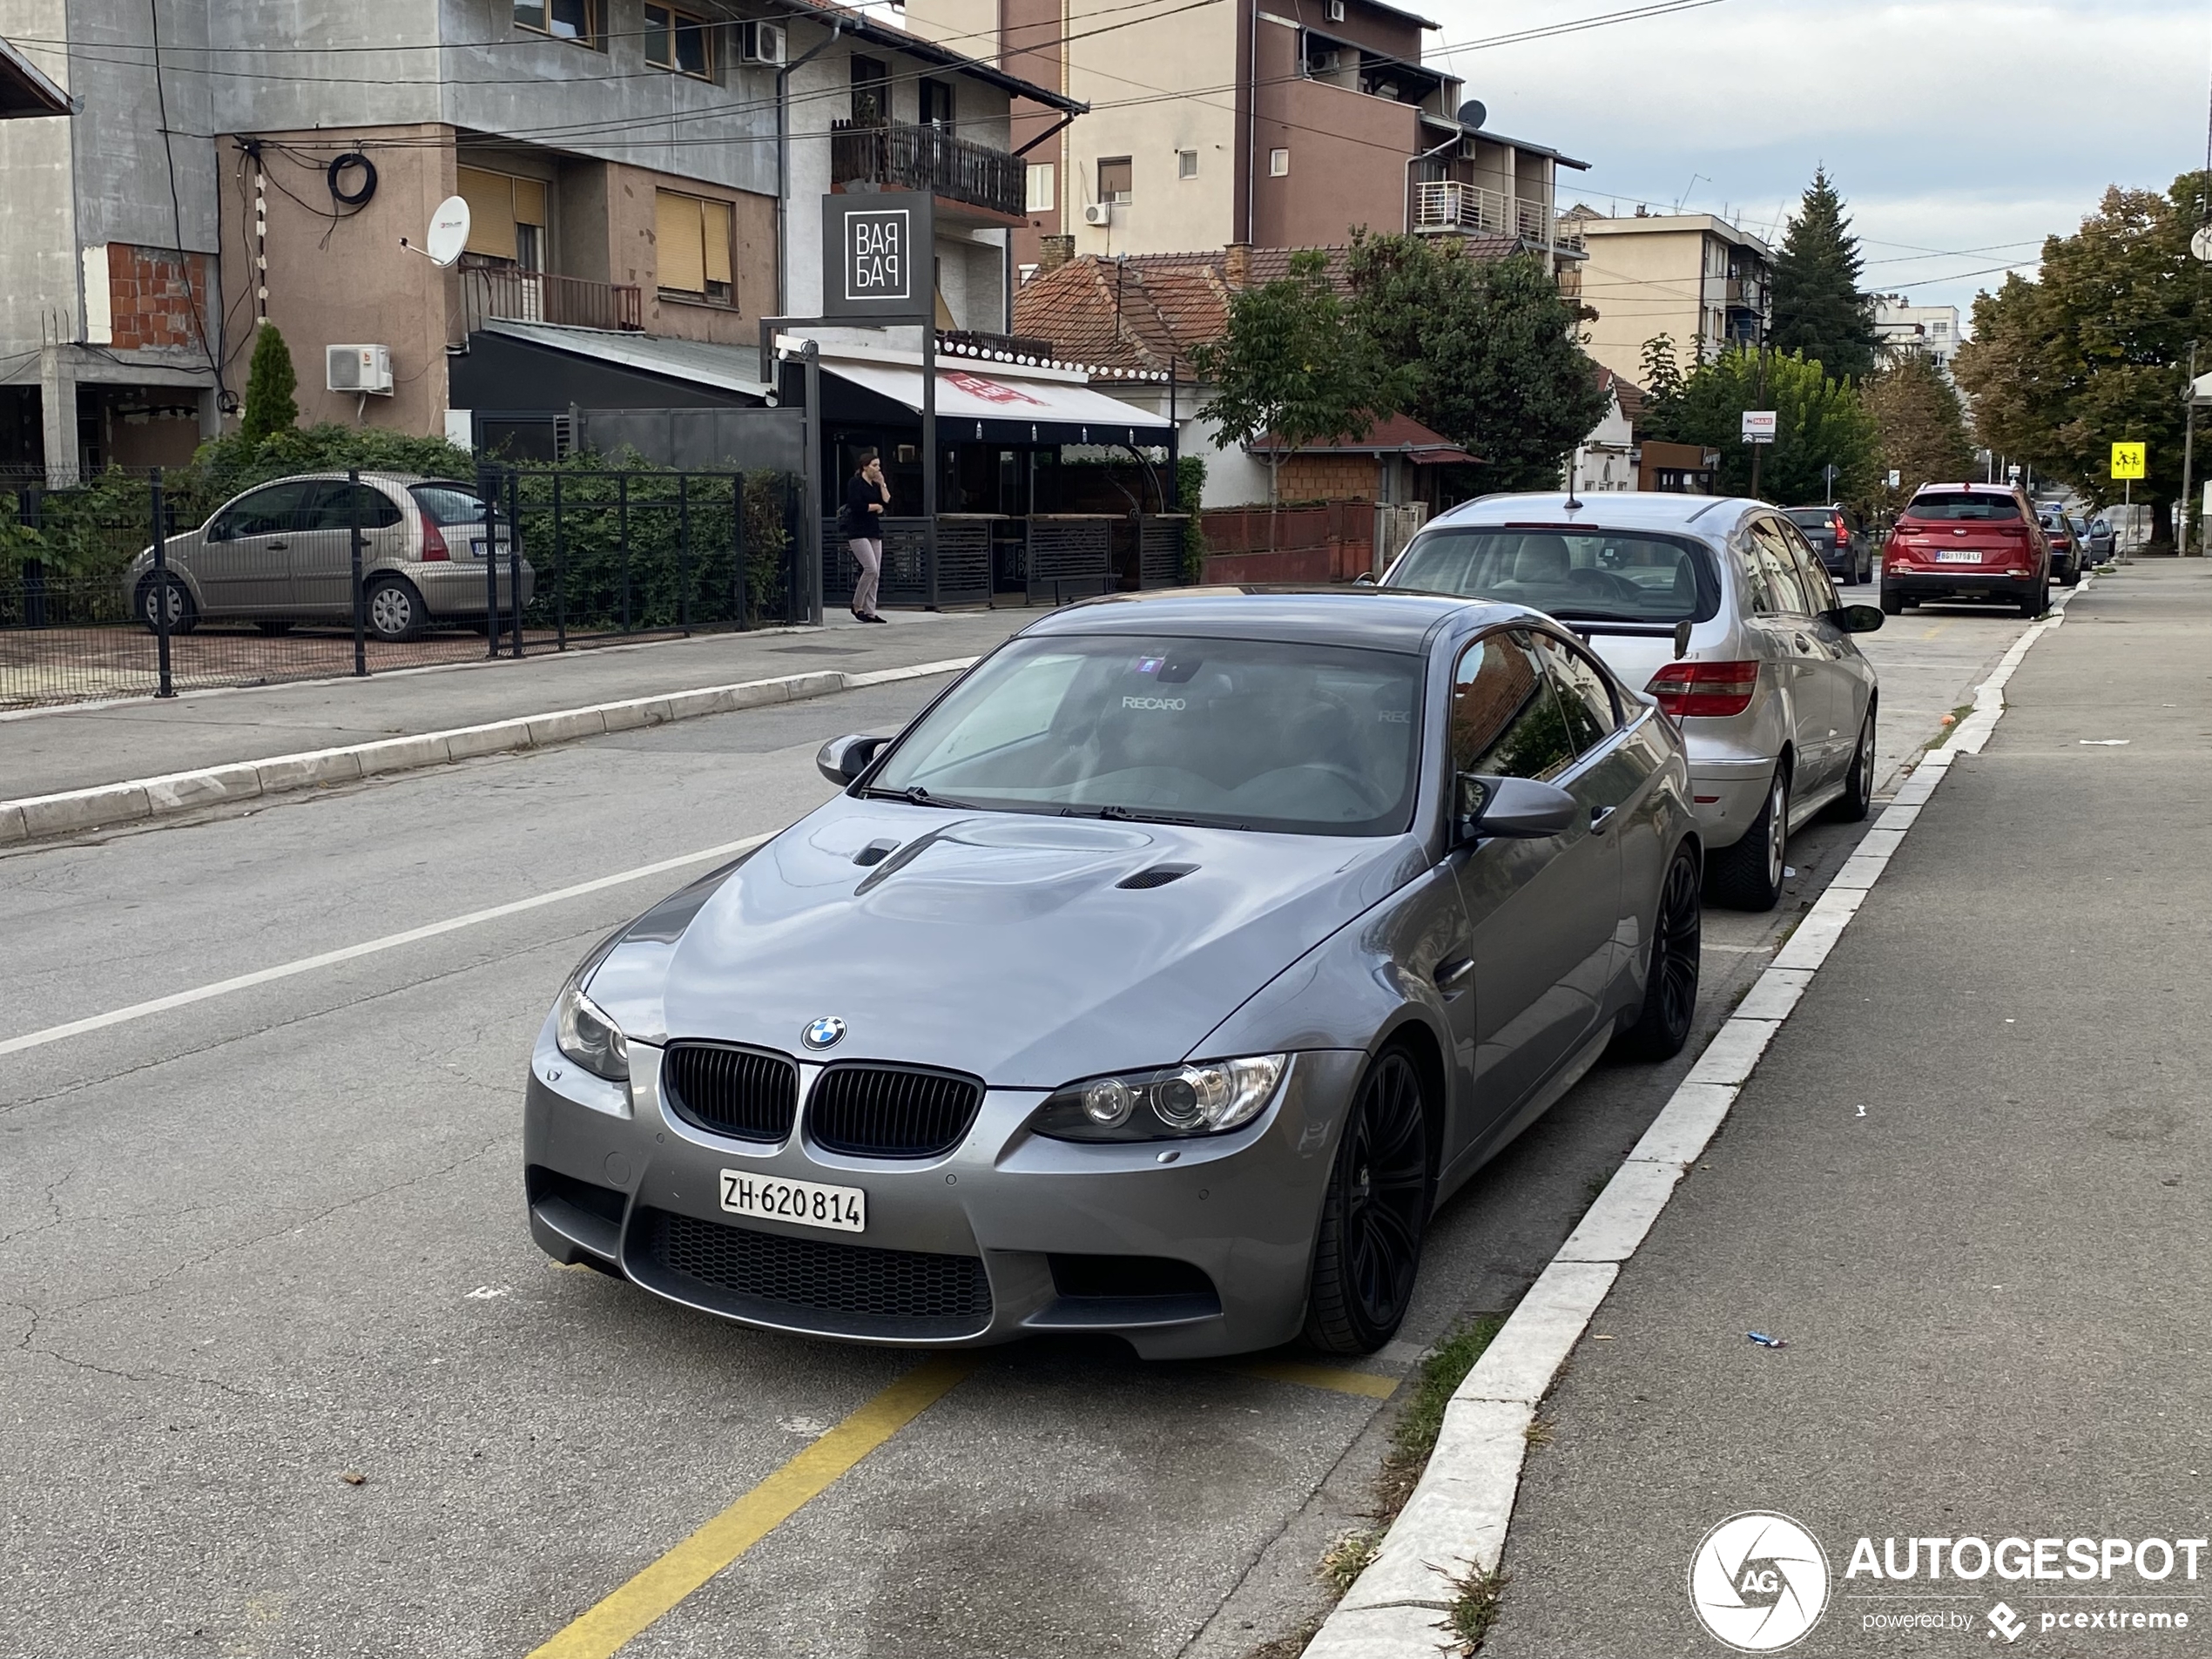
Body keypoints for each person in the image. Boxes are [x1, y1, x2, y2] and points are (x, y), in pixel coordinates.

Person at [839, 451, 889, 623]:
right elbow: (856, 505)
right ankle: (857, 604)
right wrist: (875, 506)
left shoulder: (875, 484)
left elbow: (887, 501)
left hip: (873, 529)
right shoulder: (855, 483)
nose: (878, 468)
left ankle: (870, 611)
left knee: (876, 574)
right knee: (870, 569)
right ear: (865, 466)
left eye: (879, 465)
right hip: (858, 530)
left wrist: (882, 484)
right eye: (874, 465)